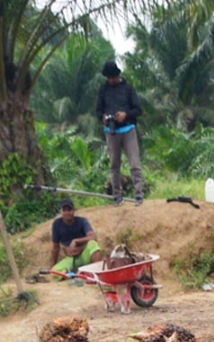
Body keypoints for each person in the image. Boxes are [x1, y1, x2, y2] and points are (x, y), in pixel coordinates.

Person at [96, 60, 145, 206]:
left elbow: (138, 110)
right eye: (109, 78)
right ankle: (117, 196)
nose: (111, 80)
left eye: (113, 77)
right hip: (111, 132)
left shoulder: (128, 88)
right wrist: (103, 118)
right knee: (114, 165)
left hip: (128, 129)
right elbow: (97, 110)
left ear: (118, 75)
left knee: (134, 163)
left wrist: (125, 115)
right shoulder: (103, 90)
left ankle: (138, 195)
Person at [50, 198, 102, 274]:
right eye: (64, 210)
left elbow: (93, 236)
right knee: (54, 272)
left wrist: (76, 242)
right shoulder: (57, 224)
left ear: (74, 210)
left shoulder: (82, 221)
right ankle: (73, 273)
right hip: (70, 258)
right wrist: (53, 264)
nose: (67, 212)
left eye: (69, 209)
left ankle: (97, 272)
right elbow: (55, 247)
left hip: (83, 254)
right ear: (60, 211)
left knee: (93, 244)